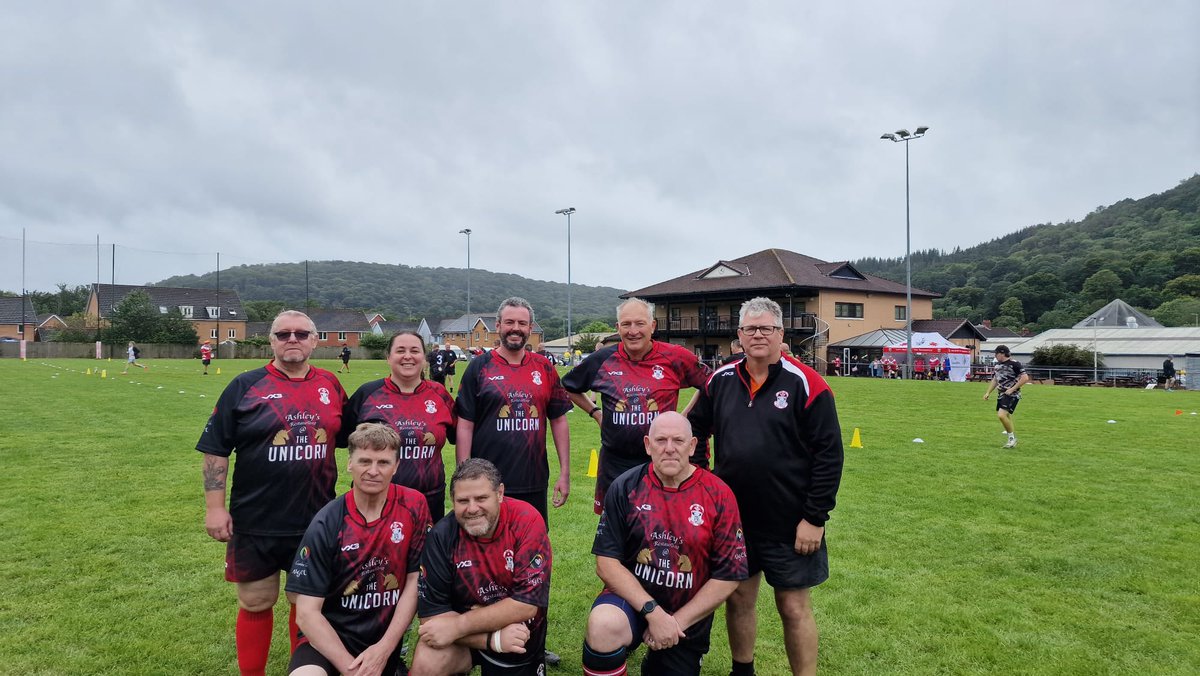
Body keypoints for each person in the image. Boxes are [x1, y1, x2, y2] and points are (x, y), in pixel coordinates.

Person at [688, 297, 844, 676]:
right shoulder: (720, 380)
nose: (758, 335)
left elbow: (829, 455)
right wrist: (701, 482)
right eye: (750, 329)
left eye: (766, 329)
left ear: (780, 334)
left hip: (790, 522)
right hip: (733, 520)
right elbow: (694, 431)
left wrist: (814, 517)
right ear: (738, 336)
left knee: (792, 607)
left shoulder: (808, 383)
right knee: (739, 598)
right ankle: (743, 672)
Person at [197, 310, 348, 676]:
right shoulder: (245, 385)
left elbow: (356, 440)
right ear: (272, 341)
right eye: (283, 334)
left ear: (314, 340)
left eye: (300, 333)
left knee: (307, 603)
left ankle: (302, 669)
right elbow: (216, 449)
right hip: (256, 518)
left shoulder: (330, 384)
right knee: (256, 600)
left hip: (315, 520)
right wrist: (215, 509)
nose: (291, 339)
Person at [583, 412, 747, 676]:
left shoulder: (719, 495)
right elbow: (606, 563)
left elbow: (728, 577)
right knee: (603, 625)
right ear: (648, 445)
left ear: (693, 446)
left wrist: (672, 623)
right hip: (633, 601)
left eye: (678, 441)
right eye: (660, 440)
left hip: (684, 618)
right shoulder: (626, 487)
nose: (669, 448)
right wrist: (653, 612)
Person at [455, 296, 570, 667]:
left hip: (532, 484)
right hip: (487, 489)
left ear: (531, 328)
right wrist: (463, 478)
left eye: (523, 323)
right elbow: (466, 423)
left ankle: (534, 642)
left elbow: (559, 420)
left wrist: (565, 472)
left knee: (532, 567)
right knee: (480, 564)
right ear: (498, 325)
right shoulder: (479, 367)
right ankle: (477, 639)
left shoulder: (545, 367)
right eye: (509, 323)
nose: (516, 329)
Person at [285, 422, 431, 676]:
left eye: (383, 462)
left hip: (383, 642)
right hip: (329, 641)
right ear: (350, 463)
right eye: (365, 461)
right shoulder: (327, 522)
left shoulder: (414, 505)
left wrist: (385, 649)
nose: (373, 471)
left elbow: (414, 579)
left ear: (396, 466)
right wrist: (353, 670)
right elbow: (307, 614)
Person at [563, 298, 712, 514]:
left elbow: (710, 382)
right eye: (626, 324)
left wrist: (684, 416)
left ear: (652, 326)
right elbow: (569, 386)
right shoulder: (602, 359)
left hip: (661, 462)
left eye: (640, 324)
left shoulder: (675, 357)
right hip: (615, 462)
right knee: (615, 534)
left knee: (663, 533)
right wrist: (595, 413)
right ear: (618, 328)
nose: (633, 331)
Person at [411, 459, 552, 676]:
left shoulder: (526, 520)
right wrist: (493, 639)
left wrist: (458, 624)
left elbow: (526, 605)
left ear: (500, 493)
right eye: (463, 500)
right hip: (468, 640)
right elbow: (431, 621)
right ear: (452, 501)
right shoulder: (441, 536)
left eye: (481, 498)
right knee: (427, 661)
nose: (472, 508)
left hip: (518, 637)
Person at [342, 331, 457, 520]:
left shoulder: (440, 394)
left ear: (425, 358)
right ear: (388, 357)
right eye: (400, 350)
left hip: (430, 499)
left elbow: (458, 434)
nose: (408, 356)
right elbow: (341, 438)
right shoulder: (368, 393)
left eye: (414, 350)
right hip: (376, 500)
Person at [983, 345, 1030, 449]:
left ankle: (1011, 439)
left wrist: (1012, 389)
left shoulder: (1014, 364)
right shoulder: (997, 365)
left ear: (1002, 353)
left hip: (1012, 394)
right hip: (1001, 394)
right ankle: (1010, 431)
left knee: (1001, 415)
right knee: (1006, 415)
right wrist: (988, 392)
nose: (995, 356)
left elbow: (1025, 378)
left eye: (996, 354)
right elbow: (995, 380)